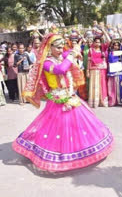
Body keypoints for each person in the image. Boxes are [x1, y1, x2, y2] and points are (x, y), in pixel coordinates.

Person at [12, 34, 113, 172]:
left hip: (69, 94)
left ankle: (79, 147)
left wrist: (75, 49)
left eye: (62, 47)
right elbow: (61, 69)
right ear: (49, 47)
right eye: (58, 47)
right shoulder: (46, 62)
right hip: (57, 98)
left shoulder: (61, 56)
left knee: (76, 124)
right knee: (58, 126)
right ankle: (59, 151)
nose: (61, 50)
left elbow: (68, 54)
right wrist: (71, 55)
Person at [87, 37, 108, 108]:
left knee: (101, 85)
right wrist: (87, 71)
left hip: (101, 70)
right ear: (93, 42)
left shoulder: (102, 50)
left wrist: (104, 31)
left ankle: (101, 101)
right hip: (93, 70)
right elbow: (89, 61)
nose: (97, 43)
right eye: (96, 42)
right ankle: (94, 102)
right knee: (94, 85)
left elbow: (109, 41)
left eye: (99, 42)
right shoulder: (91, 50)